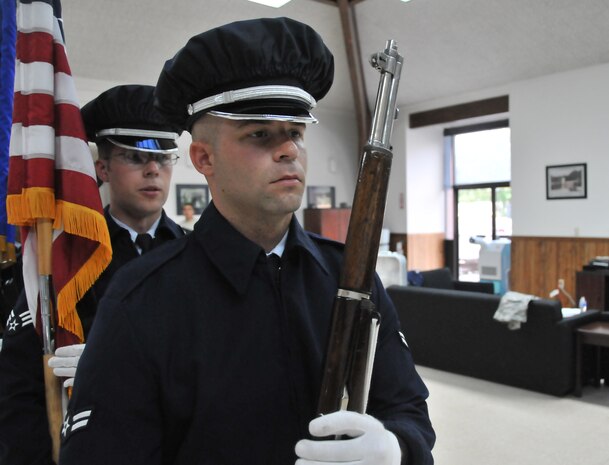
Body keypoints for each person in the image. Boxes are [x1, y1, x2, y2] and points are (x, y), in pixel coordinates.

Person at [59, 18, 435, 465]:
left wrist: (396, 448)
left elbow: (407, 408)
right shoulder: (142, 299)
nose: (288, 150)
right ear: (203, 158)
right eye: (260, 134)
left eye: (295, 132)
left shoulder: (347, 275)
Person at [0, 84, 185, 465]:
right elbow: (17, 385)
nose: (153, 169)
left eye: (164, 158)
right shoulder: (65, 259)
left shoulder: (195, 252)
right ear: (102, 168)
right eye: (134, 157)